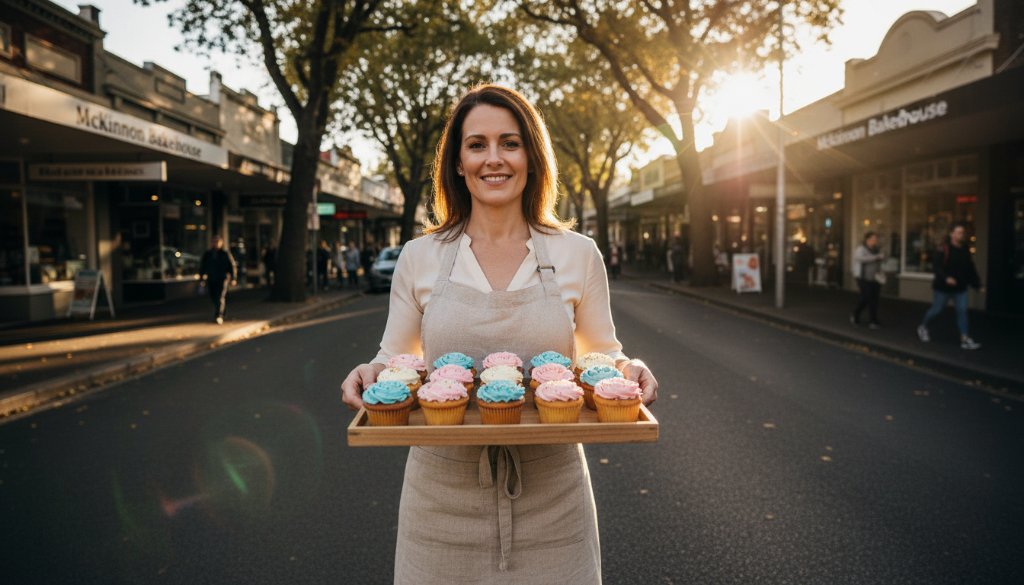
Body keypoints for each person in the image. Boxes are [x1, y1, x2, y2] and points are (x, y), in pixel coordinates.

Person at [340, 85, 658, 584]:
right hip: (439, 500)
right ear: (458, 162)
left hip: (555, 497)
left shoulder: (577, 253)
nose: (494, 159)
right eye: (477, 144)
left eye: (510, 143)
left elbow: (603, 355)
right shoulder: (420, 257)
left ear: (532, 156)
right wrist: (370, 371)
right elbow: (396, 359)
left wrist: (628, 369)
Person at [917, 222, 982, 350]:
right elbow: (937, 266)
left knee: (962, 311)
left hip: (960, 288)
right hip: (943, 288)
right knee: (937, 310)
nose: (960, 235)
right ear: (952, 234)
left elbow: (970, 268)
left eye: (962, 233)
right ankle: (923, 326)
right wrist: (946, 278)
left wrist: (977, 285)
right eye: (958, 232)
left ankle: (964, 338)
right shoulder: (943, 248)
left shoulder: (965, 249)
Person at [199, 235, 237, 324]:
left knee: (220, 296)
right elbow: (203, 266)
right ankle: (222, 311)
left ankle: (218, 315)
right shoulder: (208, 254)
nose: (215, 243)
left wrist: (233, 278)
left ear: (221, 243)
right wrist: (202, 278)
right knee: (213, 296)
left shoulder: (225, 253)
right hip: (211, 278)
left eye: (217, 242)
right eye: (214, 241)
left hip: (222, 278)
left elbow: (231, 266)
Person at [851, 231, 884, 329]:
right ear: (867, 239)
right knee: (866, 297)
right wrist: (875, 257)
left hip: (875, 277)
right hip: (863, 277)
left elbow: (881, 261)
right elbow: (860, 258)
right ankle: (856, 314)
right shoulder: (861, 249)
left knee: (874, 299)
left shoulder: (877, 250)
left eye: (875, 239)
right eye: (872, 239)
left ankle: (873, 320)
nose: (874, 241)